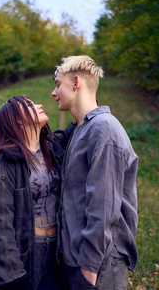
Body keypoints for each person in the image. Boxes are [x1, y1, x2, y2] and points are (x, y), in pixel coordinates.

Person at [51, 55, 139, 289]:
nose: (53, 92)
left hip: (100, 265)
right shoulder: (82, 128)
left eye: (58, 84)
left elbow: (104, 207)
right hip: (76, 259)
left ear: (76, 82)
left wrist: (88, 270)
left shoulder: (104, 129)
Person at [0, 95, 67, 290]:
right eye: (30, 105)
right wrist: (13, 277)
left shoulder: (54, 148)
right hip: (29, 252)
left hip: (58, 249)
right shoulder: (8, 162)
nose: (40, 105)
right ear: (18, 118)